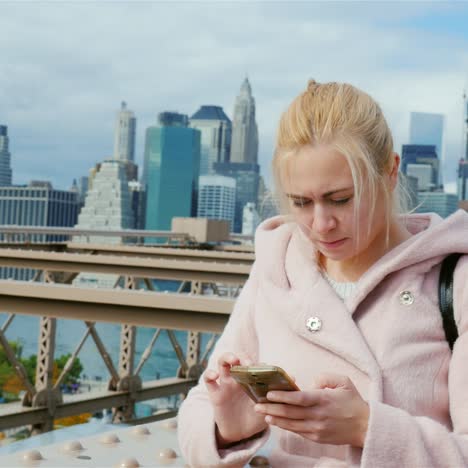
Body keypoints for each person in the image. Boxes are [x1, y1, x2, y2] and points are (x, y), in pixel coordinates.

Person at [177, 80, 468, 467]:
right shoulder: (277, 266)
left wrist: (367, 427)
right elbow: (198, 404)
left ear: (391, 171)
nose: (321, 224)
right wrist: (230, 428)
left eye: (341, 199)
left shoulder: (455, 281)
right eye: (301, 202)